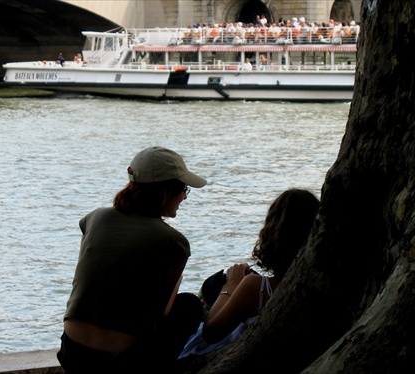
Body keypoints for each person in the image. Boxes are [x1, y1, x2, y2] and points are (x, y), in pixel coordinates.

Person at [57, 146, 207, 373]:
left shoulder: (95, 218)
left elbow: (87, 281)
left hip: (72, 352)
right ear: (166, 190)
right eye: (183, 188)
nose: (185, 196)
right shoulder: (174, 241)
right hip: (122, 363)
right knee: (189, 306)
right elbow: (160, 314)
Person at [178, 188, 319, 359]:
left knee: (209, 289)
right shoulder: (321, 284)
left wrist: (230, 285)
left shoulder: (256, 287)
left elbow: (211, 333)